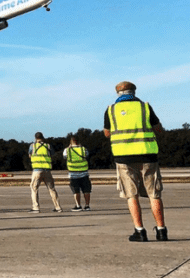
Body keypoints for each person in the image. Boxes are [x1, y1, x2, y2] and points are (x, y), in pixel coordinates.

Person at [104, 81, 167, 242]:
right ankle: (161, 231)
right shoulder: (145, 107)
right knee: (154, 194)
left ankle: (140, 231)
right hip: (148, 156)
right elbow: (158, 128)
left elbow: (107, 133)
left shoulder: (111, 110)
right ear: (134, 91)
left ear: (117, 93)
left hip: (124, 158)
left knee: (131, 195)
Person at [28, 132, 64, 213]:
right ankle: (58, 207)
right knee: (51, 189)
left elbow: (30, 155)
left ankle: (36, 207)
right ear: (43, 137)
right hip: (47, 170)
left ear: (35, 138)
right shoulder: (48, 146)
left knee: (34, 189)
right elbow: (52, 154)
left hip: (37, 170)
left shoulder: (32, 146)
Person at [63, 133, 91, 211]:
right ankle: (87, 205)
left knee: (76, 191)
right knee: (86, 190)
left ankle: (78, 205)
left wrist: (69, 147)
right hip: (84, 173)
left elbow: (64, 157)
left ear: (71, 141)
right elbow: (87, 155)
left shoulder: (67, 150)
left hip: (73, 174)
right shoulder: (83, 149)